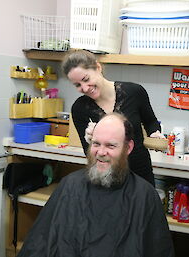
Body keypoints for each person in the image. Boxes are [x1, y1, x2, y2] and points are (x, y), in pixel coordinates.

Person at [17, 113, 175, 257]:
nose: (101, 152)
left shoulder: (144, 195)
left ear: (128, 148)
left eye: (110, 146)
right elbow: (39, 244)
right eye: (96, 144)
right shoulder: (70, 186)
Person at [62, 49, 164, 186]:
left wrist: (155, 133)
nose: (85, 88)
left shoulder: (134, 92)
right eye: (77, 85)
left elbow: (151, 122)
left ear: (98, 68)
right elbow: (89, 154)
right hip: (107, 176)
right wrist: (91, 140)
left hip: (140, 172)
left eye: (86, 79)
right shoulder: (79, 108)